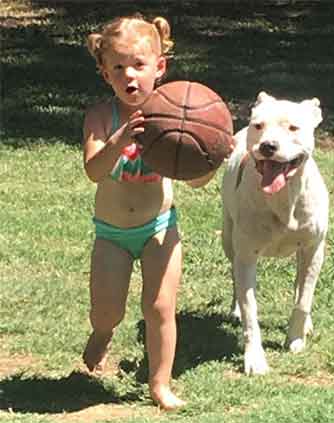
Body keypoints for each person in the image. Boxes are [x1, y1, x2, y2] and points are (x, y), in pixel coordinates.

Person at [82, 13, 215, 410]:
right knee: (108, 310)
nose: (130, 76)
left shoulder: (176, 117)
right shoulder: (101, 118)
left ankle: (160, 385)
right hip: (112, 234)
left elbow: (195, 181)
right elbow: (93, 171)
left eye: (139, 65)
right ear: (106, 74)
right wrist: (118, 139)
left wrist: (206, 157)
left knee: (159, 307)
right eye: (118, 68)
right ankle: (103, 333)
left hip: (160, 227)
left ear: (160, 67)